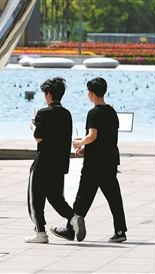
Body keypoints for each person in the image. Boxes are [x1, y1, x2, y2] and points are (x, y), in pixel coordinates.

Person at [51, 77, 127, 243]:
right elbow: (107, 138)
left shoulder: (93, 113)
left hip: (94, 163)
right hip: (110, 160)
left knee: (83, 196)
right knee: (114, 197)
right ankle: (120, 230)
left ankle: (71, 230)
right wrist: (87, 147)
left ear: (91, 93)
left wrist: (80, 142)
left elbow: (93, 135)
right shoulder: (112, 112)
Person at [24, 77, 85, 243]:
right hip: (60, 162)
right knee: (56, 197)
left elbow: (39, 138)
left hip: (43, 161)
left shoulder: (43, 113)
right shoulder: (66, 114)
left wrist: (34, 127)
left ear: (48, 94)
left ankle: (40, 232)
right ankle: (73, 218)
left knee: (35, 199)